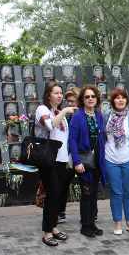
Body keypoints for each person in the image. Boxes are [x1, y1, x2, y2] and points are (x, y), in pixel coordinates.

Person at [35, 81, 76, 246]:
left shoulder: (58, 112)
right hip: (48, 160)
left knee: (57, 195)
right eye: (56, 93)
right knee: (51, 195)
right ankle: (46, 232)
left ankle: (53, 227)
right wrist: (65, 111)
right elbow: (50, 125)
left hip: (61, 161)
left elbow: (64, 139)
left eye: (61, 93)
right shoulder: (42, 109)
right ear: (48, 95)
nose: (59, 96)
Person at [69, 85, 107, 238]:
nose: (90, 99)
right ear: (82, 100)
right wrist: (76, 161)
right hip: (83, 160)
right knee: (86, 192)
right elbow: (71, 139)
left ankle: (92, 223)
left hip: (97, 160)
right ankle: (85, 226)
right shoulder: (77, 116)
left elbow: (101, 136)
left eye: (93, 96)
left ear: (97, 99)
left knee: (93, 193)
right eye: (87, 97)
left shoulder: (98, 115)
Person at [103, 88, 129, 235]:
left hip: (128, 160)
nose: (120, 100)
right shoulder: (106, 116)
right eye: (117, 98)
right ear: (113, 101)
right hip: (110, 159)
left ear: (126, 100)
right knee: (116, 192)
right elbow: (102, 138)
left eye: (123, 98)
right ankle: (117, 222)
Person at [58, 87, 80, 224]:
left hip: (82, 154)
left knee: (88, 184)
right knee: (63, 183)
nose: (70, 104)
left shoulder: (84, 114)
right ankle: (60, 212)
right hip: (67, 155)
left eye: (73, 101)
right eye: (68, 101)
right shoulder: (66, 115)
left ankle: (91, 213)